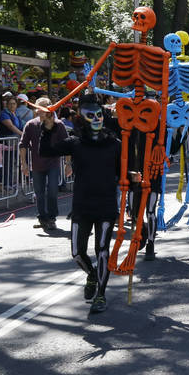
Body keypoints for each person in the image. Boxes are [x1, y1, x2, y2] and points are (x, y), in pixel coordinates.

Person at [39, 93, 122, 314]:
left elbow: (125, 172)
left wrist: (133, 179)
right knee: (77, 252)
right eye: (90, 115)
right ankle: (92, 275)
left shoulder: (115, 144)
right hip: (82, 206)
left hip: (106, 206)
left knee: (103, 251)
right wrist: (46, 128)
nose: (96, 119)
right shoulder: (75, 143)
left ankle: (101, 295)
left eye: (99, 115)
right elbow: (45, 152)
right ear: (81, 117)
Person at [19, 97, 69, 230]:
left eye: (43, 108)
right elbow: (22, 144)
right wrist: (23, 164)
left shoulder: (59, 125)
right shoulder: (30, 125)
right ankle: (42, 218)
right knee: (39, 193)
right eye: (38, 108)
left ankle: (51, 218)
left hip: (53, 164)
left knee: (52, 191)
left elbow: (67, 144)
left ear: (50, 109)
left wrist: (68, 163)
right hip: (37, 165)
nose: (40, 111)